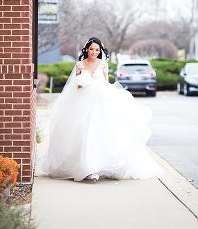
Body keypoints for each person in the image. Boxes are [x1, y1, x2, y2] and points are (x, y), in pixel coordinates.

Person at [38, 37, 163, 182]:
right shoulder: (80, 65)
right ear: (87, 50)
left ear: (100, 51)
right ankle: (86, 168)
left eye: (97, 50)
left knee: (99, 133)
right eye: (91, 49)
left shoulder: (103, 64)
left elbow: (105, 84)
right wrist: (81, 83)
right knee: (82, 133)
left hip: (100, 103)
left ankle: (98, 167)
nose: (94, 52)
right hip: (82, 103)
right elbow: (76, 86)